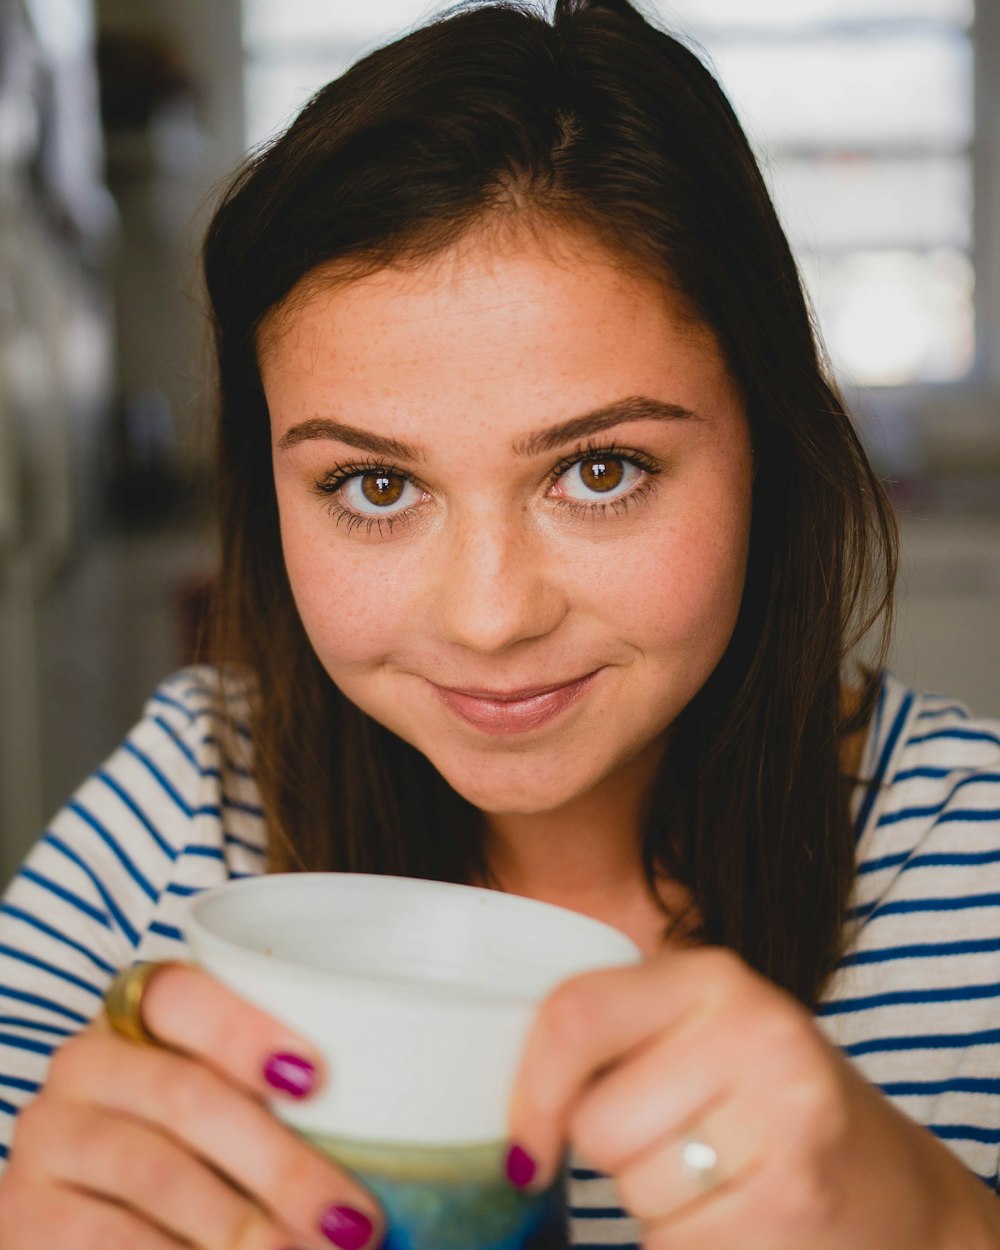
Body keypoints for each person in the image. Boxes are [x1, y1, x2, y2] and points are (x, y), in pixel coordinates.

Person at [1, 0, 999, 1246]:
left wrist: (949, 1226)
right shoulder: (178, 815)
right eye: (374, 485)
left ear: (768, 446)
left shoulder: (977, 867)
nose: (487, 618)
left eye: (598, 470)